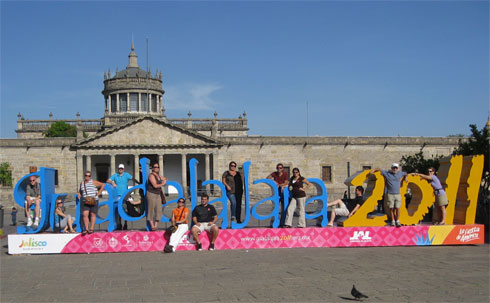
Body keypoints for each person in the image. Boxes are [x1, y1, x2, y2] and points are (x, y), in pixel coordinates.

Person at [107, 164, 133, 230]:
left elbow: (132, 178)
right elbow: (108, 180)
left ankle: (125, 224)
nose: (120, 169)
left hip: (125, 195)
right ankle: (119, 224)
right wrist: (113, 183)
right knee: (119, 210)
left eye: (121, 168)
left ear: (123, 169)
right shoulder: (115, 175)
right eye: (119, 168)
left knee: (125, 209)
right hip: (118, 195)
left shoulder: (126, 175)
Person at [78, 171, 105, 235]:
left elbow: (103, 185)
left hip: (93, 200)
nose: (87, 177)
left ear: (90, 176)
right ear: (84, 176)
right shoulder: (82, 183)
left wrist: (98, 193)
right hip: (86, 200)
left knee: (93, 214)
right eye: (86, 175)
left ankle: (91, 228)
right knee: (85, 214)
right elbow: (80, 190)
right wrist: (79, 193)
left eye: (89, 176)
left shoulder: (93, 182)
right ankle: (86, 229)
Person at [146, 162, 167, 231]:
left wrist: (164, 181)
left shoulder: (158, 176)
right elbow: (155, 185)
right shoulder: (151, 175)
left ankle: (156, 225)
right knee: (151, 209)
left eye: (157, 167)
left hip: (158, 194)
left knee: (159, 210)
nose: (156, 168)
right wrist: (162, 184)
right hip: (151, 194)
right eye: (155, 167)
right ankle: (152, 226)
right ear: (152, 168)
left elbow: (165, 178)